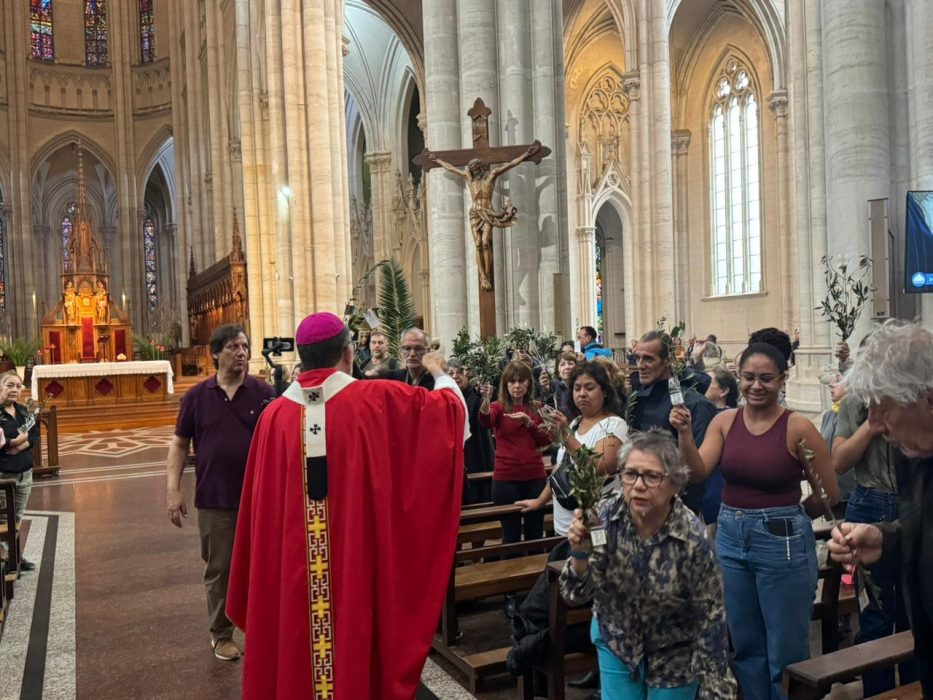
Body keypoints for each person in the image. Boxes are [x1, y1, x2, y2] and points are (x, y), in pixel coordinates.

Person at [226, 312, 467, 699]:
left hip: (293, 583)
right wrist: (438, 370)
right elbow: (450, 416)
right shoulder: (378, 400)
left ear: (303, 357)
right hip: (357, 572)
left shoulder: (272, 419)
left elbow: (259, 519)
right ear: (349, 353)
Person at [671, 342, 839, 699]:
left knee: (785, 649)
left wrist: (789, 518)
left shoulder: (797, 427)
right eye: (748, 377)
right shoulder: (725, 422)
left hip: (782, 541)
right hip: (731, 536)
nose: (756, 386)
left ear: (782, 379)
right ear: (739, 378)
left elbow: (828, 493)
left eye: (766, 378)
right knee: (745, 645)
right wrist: (685, 435)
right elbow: (698, 471)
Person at [560, 429, 736, 699]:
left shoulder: (692, 539)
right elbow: (575, 594)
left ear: (675, 484)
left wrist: (716, 689)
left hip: (675, 653)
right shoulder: (604, 519)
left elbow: (711, 619)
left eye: (652, 476)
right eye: (630, 474)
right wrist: (579, 555)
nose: (638, 485)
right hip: (618, 640)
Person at [828, 320, 933, 696]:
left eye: (882, 409)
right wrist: (885, 540)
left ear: (927, 399)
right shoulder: (914, 452)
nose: (874, 424)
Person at [165, 325, 274, 661]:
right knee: (220, 568)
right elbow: (179, 444)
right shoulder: (197, 396)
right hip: (215, 498)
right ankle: (222, 634)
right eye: (233, 347)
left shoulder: (264, 392)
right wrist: (173, 490)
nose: (241, 352)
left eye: (245, 346)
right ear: (215, 353)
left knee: (264, 565)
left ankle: (265, 631)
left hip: (260, 497)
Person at [832, 374, 916, 695]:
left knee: (913, 610)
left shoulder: (915, 402)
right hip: (869, 503)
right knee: (875, 615)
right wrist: (870, 426)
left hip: (910, 503)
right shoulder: (854, 403)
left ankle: (913, 688)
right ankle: (877, 692)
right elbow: (839, 462)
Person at [423, 141, 542, 291]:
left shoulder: (491, 176)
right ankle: (483, 276)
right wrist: (437, 160)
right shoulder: (469, 178)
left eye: (475, 168)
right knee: (478, 243)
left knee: (485, 242)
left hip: (488, 212)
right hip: (474, 213)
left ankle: (487, 274)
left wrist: (526, 154)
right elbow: (451, 168)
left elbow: (510, 164)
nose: (473, 171)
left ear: (480, 167)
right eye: (472, 169)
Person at [629, 330, 718, 516]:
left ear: (668, 361)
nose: (640, 365)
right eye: (638, 358)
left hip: (679, 507)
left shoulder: (695, 404)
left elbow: (697, 471)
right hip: (640, 499)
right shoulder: (636, 400)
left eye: (648, 359)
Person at [479, 360, 554, 547]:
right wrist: (485, 400)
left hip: (534, 477)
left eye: (521, 381)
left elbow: (547, 440)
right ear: (505, 384)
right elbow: (485, 421)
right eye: (512, 381)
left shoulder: (537, 407)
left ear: (529, 383)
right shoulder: (498, 407)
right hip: (506, 479)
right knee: (510, 537)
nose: (517, 386)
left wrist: (529, 423)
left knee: (535, 535)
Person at [0, 372, 35, 571]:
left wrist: (21, 445)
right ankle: (4, 559)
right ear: (0, 387)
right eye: (9, 385)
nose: (14, 390)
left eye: (18, 386)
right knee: (4, 520)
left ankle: (13, 557)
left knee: (17, 517)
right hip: (4, 475)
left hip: (24, 473)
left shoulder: (22, 411)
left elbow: (34, 434)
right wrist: (12, 443)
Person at [448, 357, 494, 504]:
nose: (455, 376)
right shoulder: (444, 398)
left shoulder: (476, 396)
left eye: (459, 372)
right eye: (451, 373)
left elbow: (485, 415)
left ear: (467, 375)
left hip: (476, 453)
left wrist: (486, 398)